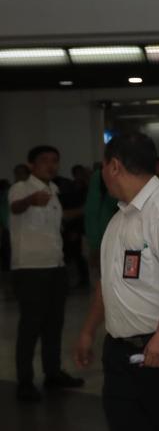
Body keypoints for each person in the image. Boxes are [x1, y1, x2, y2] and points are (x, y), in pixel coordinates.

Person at [74, 131, 159, 431]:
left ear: (113, 166)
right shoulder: (119, 219)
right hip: (123, 352)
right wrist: (88, 330)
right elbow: (107, 282)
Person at [7, 145, 83, 401]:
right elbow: (16, 207)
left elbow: (58, 221)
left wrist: (88, 210)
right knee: (30, 326)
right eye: (44, 161)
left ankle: (52, 374)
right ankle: (25, 382)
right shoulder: (20, 188)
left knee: (54, 324)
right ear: (31, 165)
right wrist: (30, 200)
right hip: (30, 269)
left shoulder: (54, 190)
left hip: (55, 266)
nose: (50, 165)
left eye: (54, 161)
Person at [59, 165, 90, 289]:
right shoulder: (69, 189)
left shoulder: (87, 189)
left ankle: (83, 280)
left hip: (82, 228)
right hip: (73, 227)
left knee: (81, 257)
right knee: (74, 256)